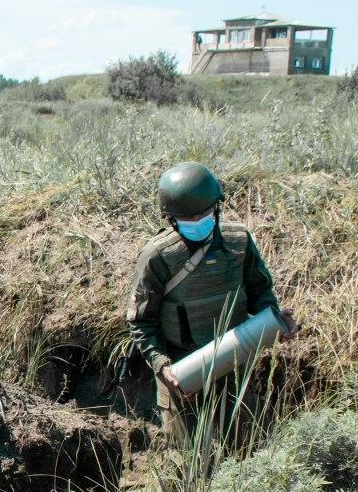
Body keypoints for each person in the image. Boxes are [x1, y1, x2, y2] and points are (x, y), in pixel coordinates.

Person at [126, 162, 297, 456]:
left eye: (204, 213)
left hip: (233, 364)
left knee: (250, 452)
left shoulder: (238, 242)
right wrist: (161, 365)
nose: (197, 220)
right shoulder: (158, 257)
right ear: (171, 218)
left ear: (216, 207)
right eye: (187, 216)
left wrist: (273, 319)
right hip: (181, 372)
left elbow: (260, 291)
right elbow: (141, 322)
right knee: (187, 459)